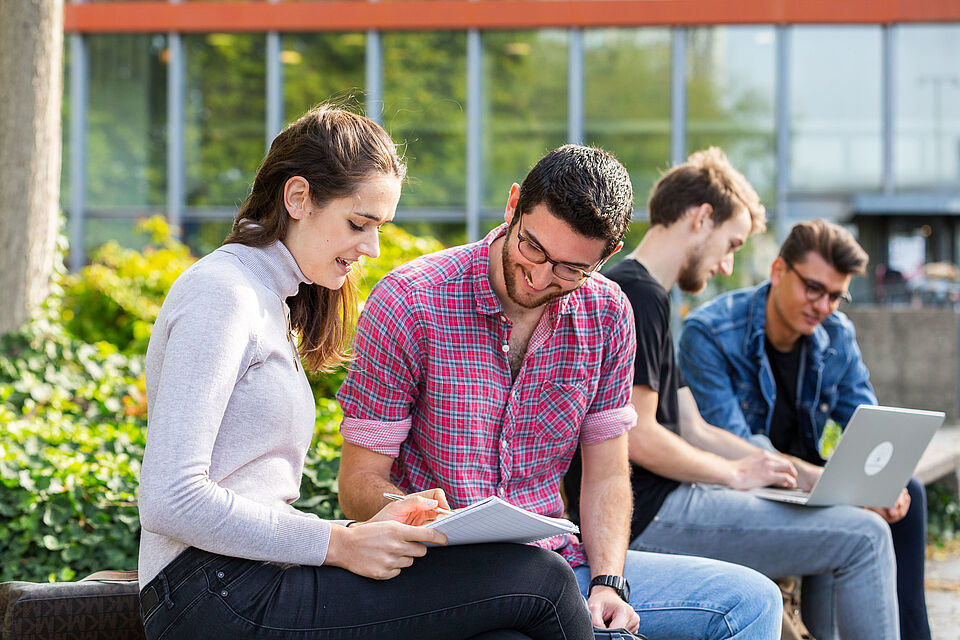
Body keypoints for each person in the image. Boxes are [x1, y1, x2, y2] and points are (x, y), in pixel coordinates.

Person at [136, 106, 596, 640]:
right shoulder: (222, 293)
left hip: (242, 579)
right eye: (359, 224)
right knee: (543, 580)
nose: (371, 248)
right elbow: (171, 497)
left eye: (380, 228)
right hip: (212, 593)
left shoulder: (270, 298)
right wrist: (339, 541)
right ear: (298, 198)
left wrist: (364, 529)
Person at [336, 144, 783, 639]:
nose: (539, 276)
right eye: (533, 247)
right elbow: (359, 482)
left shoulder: (608, 313)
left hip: (557, 566)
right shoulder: (410, 301)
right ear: (513, 207)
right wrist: (414, 513)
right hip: (441, 572)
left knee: (750, 601)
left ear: (607, 256)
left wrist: (609, 582)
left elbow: (608, 474)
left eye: (571, 269)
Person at [565, 150, 899, 640]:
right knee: (864, 538)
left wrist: (811, 478)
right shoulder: (635, 296)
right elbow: (638, 436)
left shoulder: (652, 297)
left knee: (845, 518)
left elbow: (696, 427)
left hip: (672, 502)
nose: (726, 266)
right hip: (649, 514)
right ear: (702, 218)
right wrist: (734, 473)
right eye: (732, 244)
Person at [679, 218, 929, 640]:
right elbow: (738, 448)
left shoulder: (835, 333)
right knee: (850, 510)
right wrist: (833, 485)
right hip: (744, 488)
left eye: (836, 295)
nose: (824, 305)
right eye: (814, 288)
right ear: (778, 271)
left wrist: (879, 481)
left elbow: (866, 421)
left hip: (806, 479)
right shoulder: (711, 333)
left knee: (909, 492)